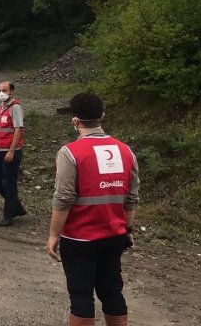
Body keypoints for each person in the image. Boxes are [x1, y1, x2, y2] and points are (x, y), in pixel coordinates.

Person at [46, 93, 140, 326]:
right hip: (114, 235)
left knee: (81, 296)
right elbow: (131, 198)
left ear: (75, 121)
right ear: (103, 117)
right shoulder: (125, 151)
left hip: (79, 238)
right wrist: (128, 229)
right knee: (112, 292)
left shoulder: (70, 153)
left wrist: (53, 235)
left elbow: (63, 198)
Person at [0, 81, 26, 226]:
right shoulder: (2, 107)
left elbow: (18, 129)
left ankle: (8, 216)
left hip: (10, 152)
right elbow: (5, 126)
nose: (1, 93)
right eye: (0, 90)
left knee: (9, 183)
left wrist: (11, 151)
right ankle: (16, 206)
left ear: (12, 92)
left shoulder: (15, 107)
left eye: (5, 90)